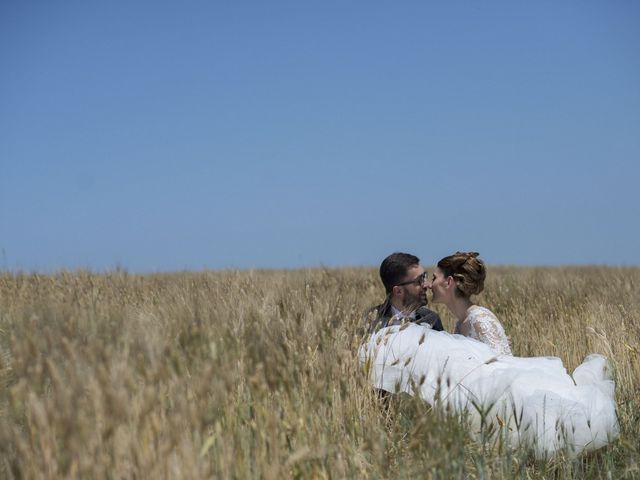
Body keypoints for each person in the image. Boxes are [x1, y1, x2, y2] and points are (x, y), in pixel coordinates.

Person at [428, 252, 511, 356]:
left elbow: (502, 364)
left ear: (448, 282)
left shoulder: (480, 320)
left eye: (434, 278)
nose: (430, 285)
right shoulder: (460, 324)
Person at [365, 252, 443, 335]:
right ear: (398, 291)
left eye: (425, 276)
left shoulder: (432, 319)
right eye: (419, 281)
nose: (427, 285)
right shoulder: (371, 320)